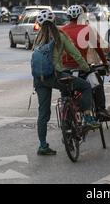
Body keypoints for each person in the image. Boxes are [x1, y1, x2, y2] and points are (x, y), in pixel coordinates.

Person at [33, 10, 98, 156]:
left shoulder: (37, 39)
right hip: (56, 76)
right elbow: (75, 54)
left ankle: (43, 146)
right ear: (55, 21)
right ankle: (87, 117)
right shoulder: (60, 36)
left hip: (40, 79)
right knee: (85, 86)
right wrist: (86, 68)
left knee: (43, 113)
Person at [60, 5, 110, 120]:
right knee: (97, 84)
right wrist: (105, 62)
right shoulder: (86, 29)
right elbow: (98, 47)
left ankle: (65, 107)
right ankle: (100, 110)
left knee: (66, 88)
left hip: (63, 68)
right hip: (81, 67)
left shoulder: (61, 30)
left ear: (68, 17)